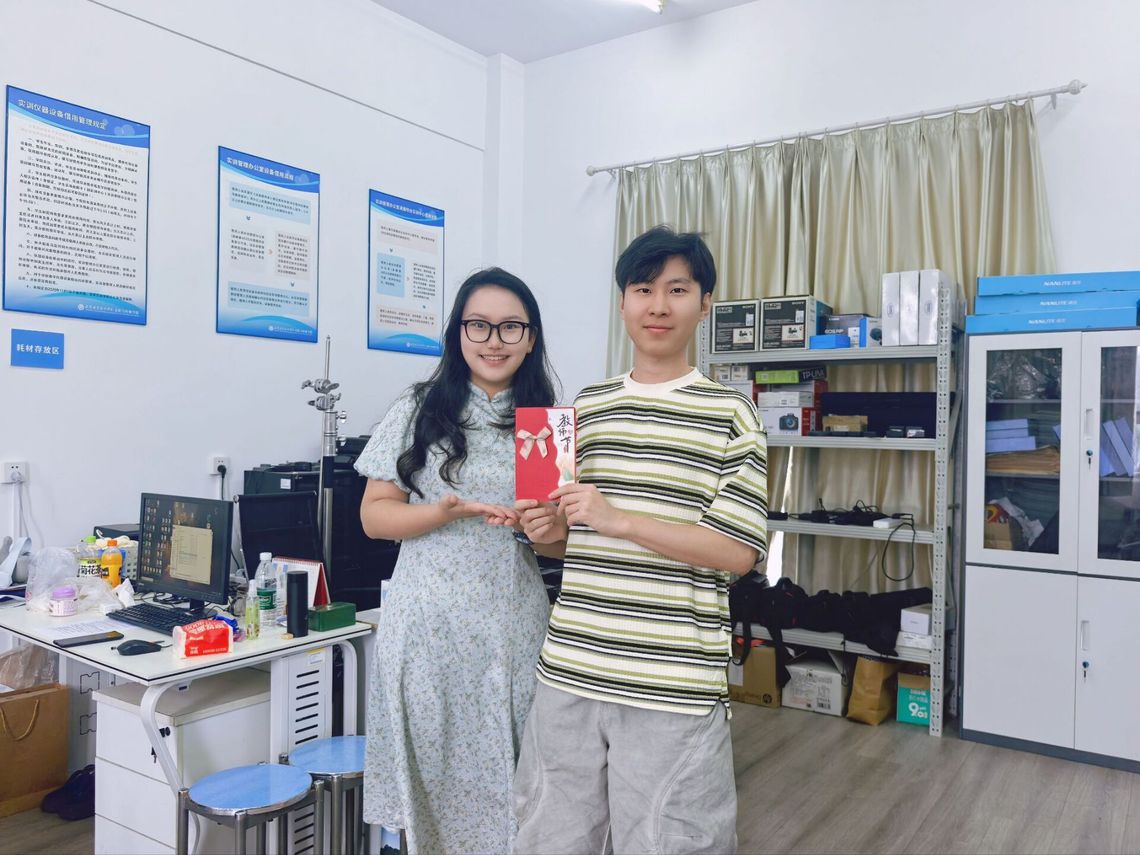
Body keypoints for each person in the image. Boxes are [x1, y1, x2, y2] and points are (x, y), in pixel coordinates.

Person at [514, 226, 769, 854]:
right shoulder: (586, 407)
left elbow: (738, 552)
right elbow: (571, 544)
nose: (659, 305)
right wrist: (546, 532)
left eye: (677, 290)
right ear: (623, 302)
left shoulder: (732, 414)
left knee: (669, 843)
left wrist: (620, 519)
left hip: (672, 681)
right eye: (643, 289)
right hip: (571, 668)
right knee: (547, 838)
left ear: (705, 304)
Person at [355, 267, 560, 855]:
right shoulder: (419, 409)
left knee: (515, 777)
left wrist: (545, 530)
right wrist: (439, 513)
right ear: (458, 333)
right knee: (430, 770)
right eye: (479, 325)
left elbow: (559, 544)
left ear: (530, 338)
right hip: (427, 627)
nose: (495, 340)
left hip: (512, 626)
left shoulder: (544, 423)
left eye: (511, 327)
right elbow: (375, 517)